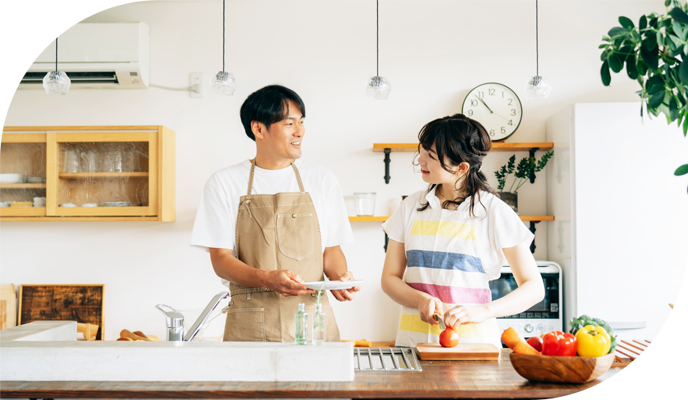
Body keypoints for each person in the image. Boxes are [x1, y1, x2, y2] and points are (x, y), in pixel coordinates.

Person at [190, 84, 360, 343]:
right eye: (289, 123)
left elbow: (331, 251)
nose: (299, 131)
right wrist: (267, 279)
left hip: (312, 319)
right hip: (250, 323)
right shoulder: (224, 182)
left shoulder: (322, 179)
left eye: (301, 122)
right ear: (258, 129)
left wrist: (340, 279)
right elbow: (221, 260)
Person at [380, 114, 544, 348]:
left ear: (461, 168)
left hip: (476, 348)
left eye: (431, 156)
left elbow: (534, 288)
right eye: (423, 150)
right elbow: (389, 279)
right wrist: (420, 300)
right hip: (413, 346)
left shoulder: (494, 212)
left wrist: (484, 311)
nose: (420, 160)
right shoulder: (411, 207)